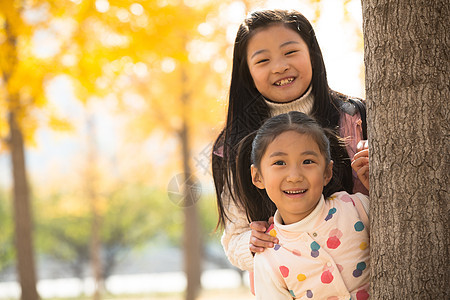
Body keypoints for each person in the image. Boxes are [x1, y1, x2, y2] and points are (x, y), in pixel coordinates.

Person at [212, 9, 369, 273]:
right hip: (288, 283)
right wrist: (252, 245)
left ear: (312, 54)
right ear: (247, 71)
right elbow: (234, 236)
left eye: (290, 52)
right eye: (262, 60)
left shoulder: (354, 118)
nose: (280, 66)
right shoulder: (233, 146)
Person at [235, 111, 370, 299]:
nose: (295, 176)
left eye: (308, 161)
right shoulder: (268, 256)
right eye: (280, 162)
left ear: (327, 172)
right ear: (258, 177)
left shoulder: (357, 208)